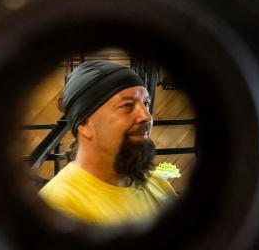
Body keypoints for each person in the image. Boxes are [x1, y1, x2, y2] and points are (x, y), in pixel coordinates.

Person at [39, 60, 176, 225]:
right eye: (127, 105)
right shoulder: (59, 204)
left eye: (146, 103)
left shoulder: (158, 184)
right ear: (84, 124)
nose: (146, 116)